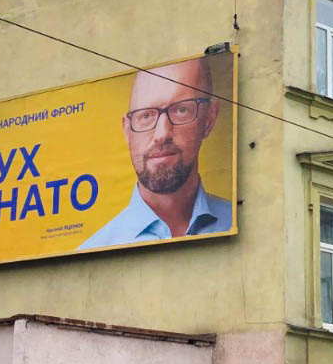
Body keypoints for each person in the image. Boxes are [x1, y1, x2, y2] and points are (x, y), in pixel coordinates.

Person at [79, 57, 232, 250]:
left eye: (181, 110)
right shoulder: (95, 250)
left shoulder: (243, 222)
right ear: (127, 131)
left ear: (209, 119)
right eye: (146, 115)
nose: (161, 134)